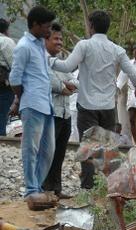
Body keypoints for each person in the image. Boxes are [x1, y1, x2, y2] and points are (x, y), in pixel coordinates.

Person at [49, 10, 136, 189]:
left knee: (88, 150)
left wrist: (48, 60)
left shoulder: (84, 45)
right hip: (108, 108)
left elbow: (67, 66)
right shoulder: (117, 50)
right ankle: (111, 189)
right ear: (107, 28)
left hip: (87, 106)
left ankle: (87, 190)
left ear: (91, 26)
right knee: (108, 151)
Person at [9, 6, 57, 210]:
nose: (49, 30)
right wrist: (22, 98)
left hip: (46, 105)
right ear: (35, 25)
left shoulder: (39, 45)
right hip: (32, 104)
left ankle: (36, 187)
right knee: (31, 149)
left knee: (48, 151)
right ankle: (31, 190)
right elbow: (14, 79)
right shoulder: (23, 47)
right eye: (46, 26)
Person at [41, 23, 79, 199]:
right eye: (55, 38)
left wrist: (66, 86)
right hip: (51, 112)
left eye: (61, 39)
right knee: (47, 152)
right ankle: (43, 188)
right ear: (46, 40)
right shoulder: (41, 59)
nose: (59, 42)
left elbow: (75, 81)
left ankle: (56, 188)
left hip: (65, 113)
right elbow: (50, 83)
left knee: (60, 152)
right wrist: (64, 86)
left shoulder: (63, 62)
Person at [0, 18, 16, 136]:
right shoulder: (6, 41)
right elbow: (15, 66)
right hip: (3, 88)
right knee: (1, 118)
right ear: (6, 29)